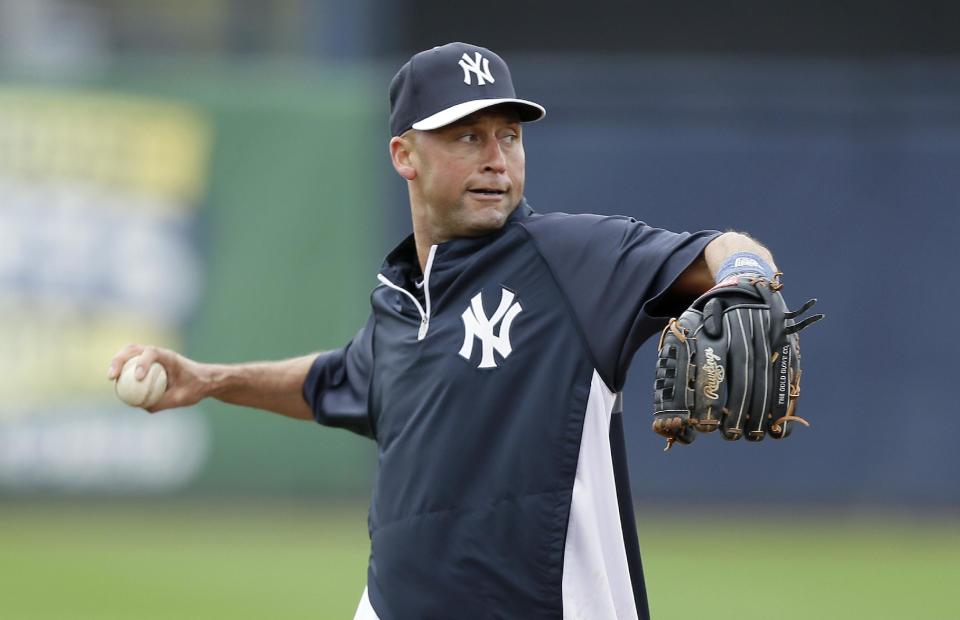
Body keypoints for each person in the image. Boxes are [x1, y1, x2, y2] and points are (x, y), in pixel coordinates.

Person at [107, 42, 784, 619]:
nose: (497, 158)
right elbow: (334, 380)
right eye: (467, 136)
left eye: (509, 136)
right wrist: (209, 380)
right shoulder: (401, 301)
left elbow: (720, 247)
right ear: (405, 155)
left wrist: (748, 279)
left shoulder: (569, 261)